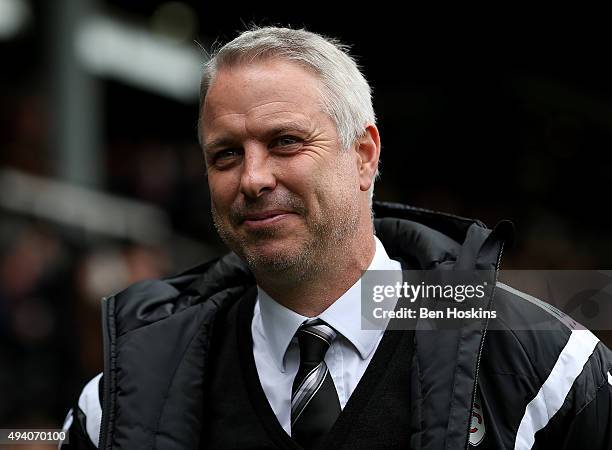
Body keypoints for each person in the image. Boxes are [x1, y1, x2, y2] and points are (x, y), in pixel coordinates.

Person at [61, 26, 612, 449]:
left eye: (285, 142)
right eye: (226, 154)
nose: (252, 178)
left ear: (364, 155)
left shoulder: (545, 365)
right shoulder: (120, 400)